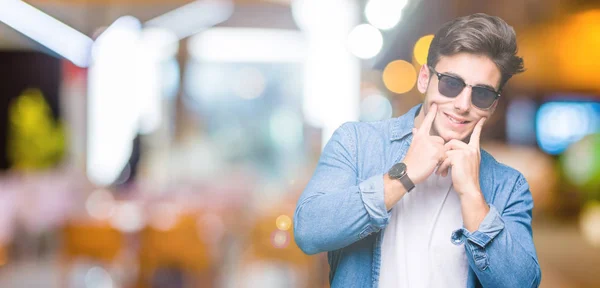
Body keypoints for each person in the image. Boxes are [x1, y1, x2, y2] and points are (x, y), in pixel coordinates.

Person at [293, 13, 541, 288]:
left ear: (493, 105)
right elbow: (309, 232)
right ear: (425, 78)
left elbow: (522, 283)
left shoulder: (508, 185)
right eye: (451, 83)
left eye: (481, 93)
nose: (462, 104)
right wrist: (403, 175)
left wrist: (472, 195)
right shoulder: (357, 144)